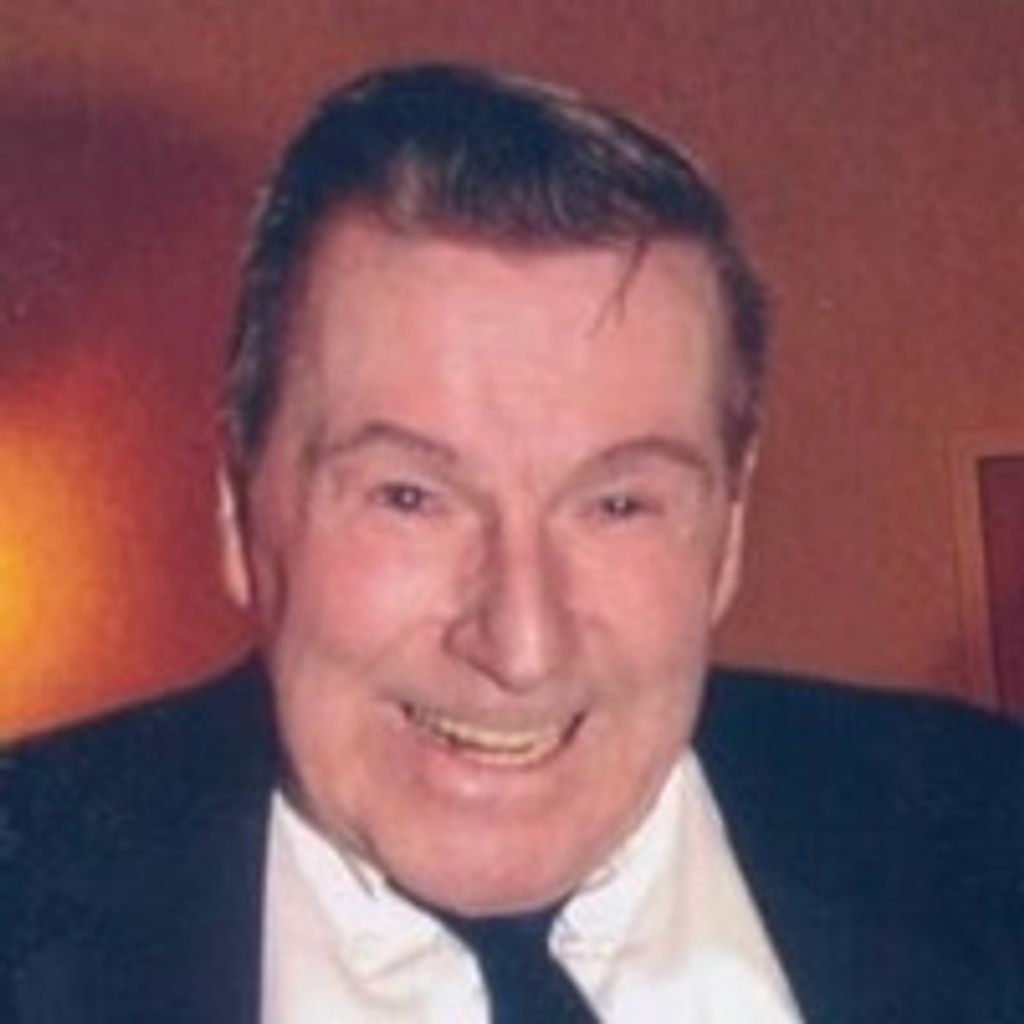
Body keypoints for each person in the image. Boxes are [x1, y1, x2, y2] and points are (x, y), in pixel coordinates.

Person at [5, 62, 1022, 1024]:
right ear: (239, 504)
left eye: (618, 505)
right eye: (410, 497)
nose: (521, 644)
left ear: (730, 523)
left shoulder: (985, 832)